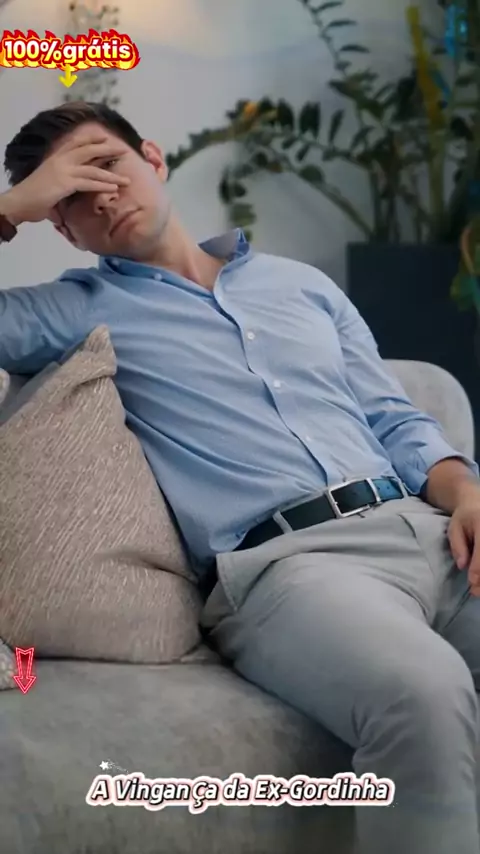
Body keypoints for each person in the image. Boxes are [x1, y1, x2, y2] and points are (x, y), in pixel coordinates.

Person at [1, 100, 480, 854]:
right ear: (61, 228)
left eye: (108, 166)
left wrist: (467, 492)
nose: (103, 198)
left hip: (427, 531)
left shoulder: (301, 285)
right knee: (423, 693)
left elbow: (394, 418)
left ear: (153, 159)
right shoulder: (75, 310)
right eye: (73, 197)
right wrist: (10, 209)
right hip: (293, 570)